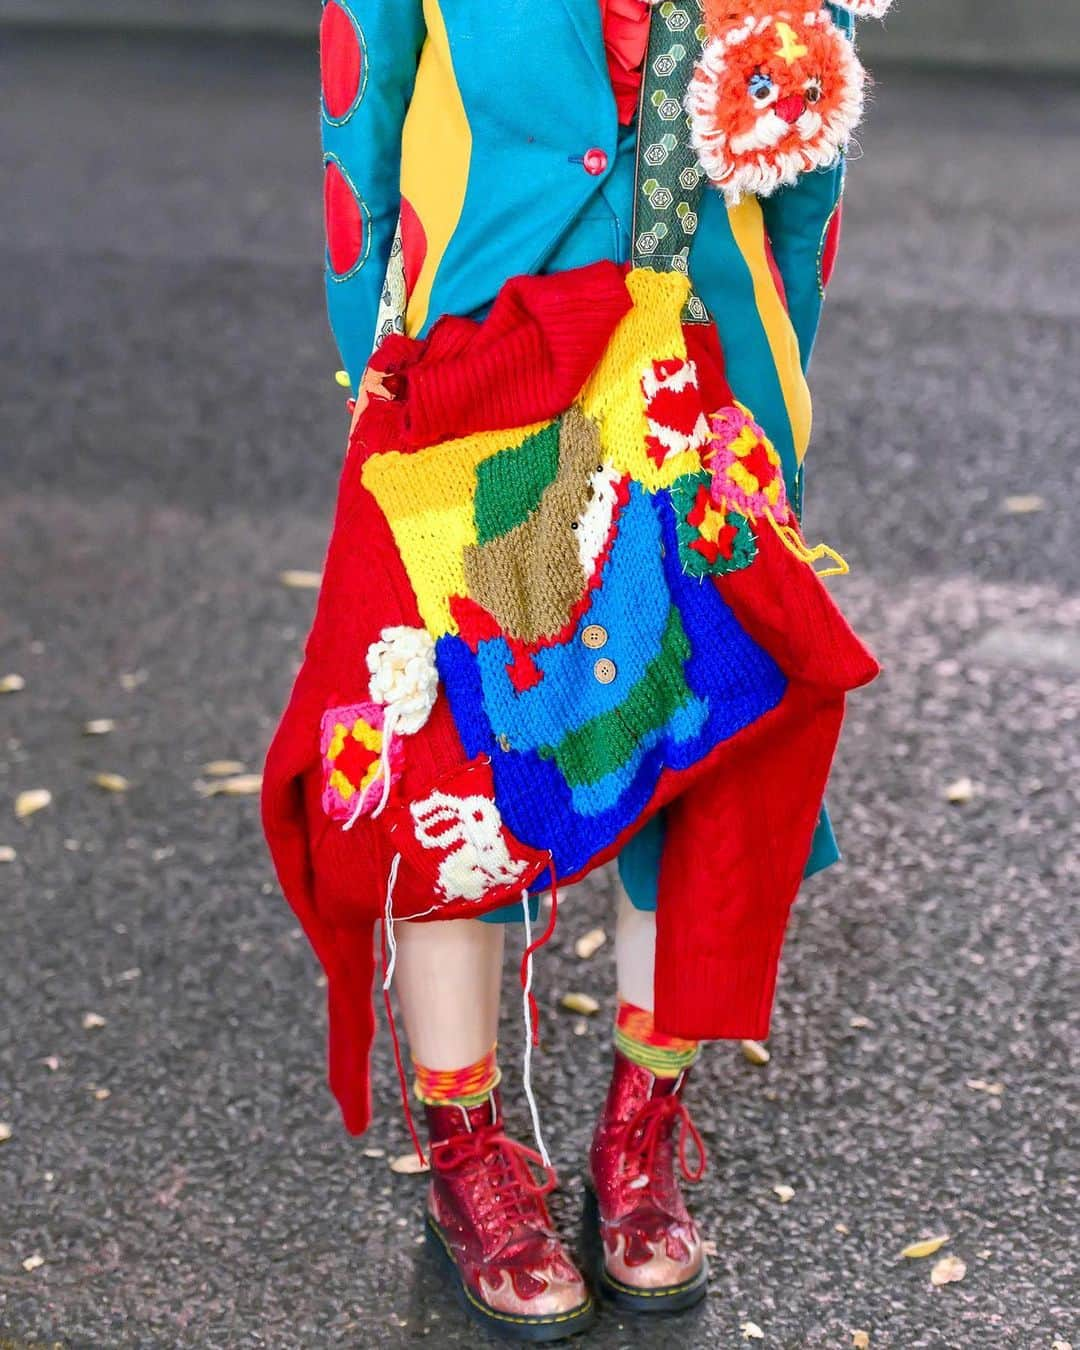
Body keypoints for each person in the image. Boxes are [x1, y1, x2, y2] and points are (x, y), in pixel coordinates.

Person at [263, 0, 887, 1339]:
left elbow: (811, 159)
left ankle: (642, 1133)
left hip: (703, 361)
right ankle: (469, 1151)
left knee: (696, 733)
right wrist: (369, 351)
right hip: (478, 335)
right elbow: (362, 99)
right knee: (448, 747)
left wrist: (773, 376)